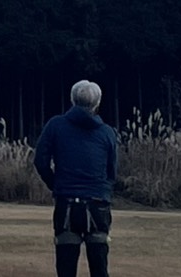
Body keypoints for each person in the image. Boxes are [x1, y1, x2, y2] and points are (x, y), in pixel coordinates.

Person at [33, 80, 118, 277]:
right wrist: (102, 190)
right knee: (99, 269)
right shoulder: (107, 132)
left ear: (72, 100)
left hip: (67, 205)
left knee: (65, 269)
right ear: (97, 103)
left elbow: (40, 161)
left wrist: (56, 185)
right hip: (98, 205)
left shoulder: (55, 125)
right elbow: (112, 171)